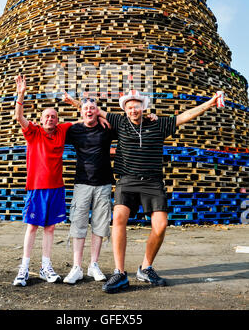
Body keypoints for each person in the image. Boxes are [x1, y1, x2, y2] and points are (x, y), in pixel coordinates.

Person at [76, 88, 223, 294]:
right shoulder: (119, 122)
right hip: (127, 180)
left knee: (161, 225)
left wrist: (209, 103)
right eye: (129, 107)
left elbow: (184, 116)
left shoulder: (158, 124)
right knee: (118, 218)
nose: (133, 110)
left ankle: (145, 268)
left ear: (143, 108)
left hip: (153, 182)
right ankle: (119, 272)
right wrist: (77, 105)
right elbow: (92, 112)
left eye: (137, 106)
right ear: (125, 110)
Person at [13, 75, 73, 287]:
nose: (50, 119)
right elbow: (18, 117)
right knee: (32, 227)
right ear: (41, 119)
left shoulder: (63, 130)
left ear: (57, 120)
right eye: (47, 116)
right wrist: (21, 94)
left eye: (53, 117)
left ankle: (45, 266)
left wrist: (75, 103)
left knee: (50, 228)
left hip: (56, 188)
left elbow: (86, 119)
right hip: (37, 188)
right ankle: (24, 268)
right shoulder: (33, 132)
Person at [62, 98, 116, 285]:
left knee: (100, 225)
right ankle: (77, 267)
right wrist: (80, 113)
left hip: (103, 184)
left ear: (97, 111)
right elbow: (57, 129)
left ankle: (94, 264)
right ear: (81, 111)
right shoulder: (75, 130)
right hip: (82, 183)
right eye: (86, 108)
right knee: (78, 223)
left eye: (93, 108)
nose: (89, 111)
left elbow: (124, 123)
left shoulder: (106, 128)